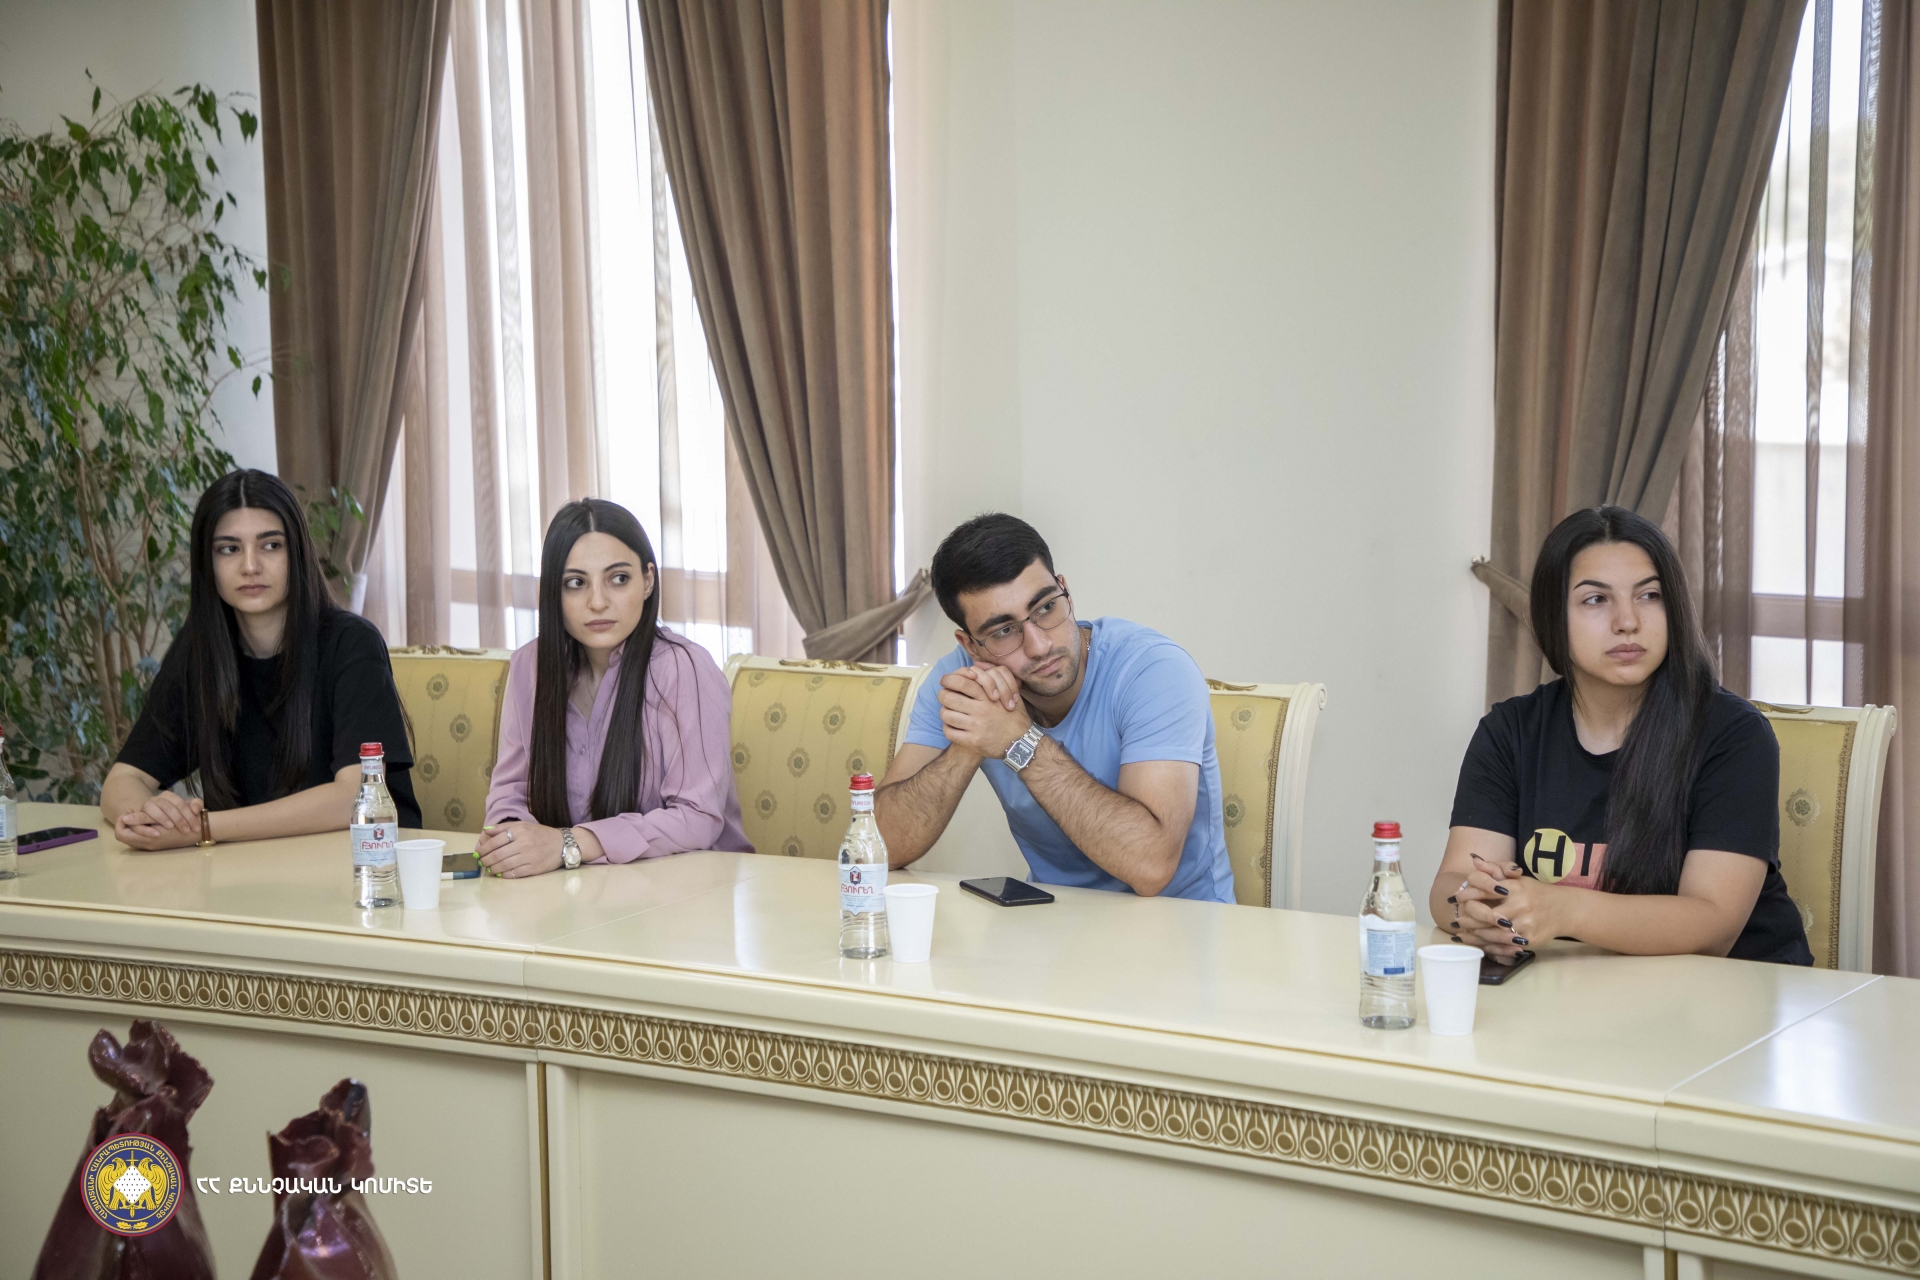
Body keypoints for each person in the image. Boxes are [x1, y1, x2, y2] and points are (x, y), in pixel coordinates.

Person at [1434, 506, 1811, 965]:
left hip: (1732, 991)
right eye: (1596, 599)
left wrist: (1563, 909)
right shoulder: (1510, 731)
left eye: (1649, 595)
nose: (1627, 621)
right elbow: (1452, 882)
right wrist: (1475, 910)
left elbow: (1712, 925)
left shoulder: (1734, 735)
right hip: (1578, 989)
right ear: (1554, 617)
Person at [877, 513, 1234, 902]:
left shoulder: (1154, 670)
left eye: (1046, 607)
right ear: (970, 646)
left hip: (1181, 920)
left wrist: (1019, 741)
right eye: (1003, 631)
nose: (1040, 645)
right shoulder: (962, 685)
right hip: (1052, 919)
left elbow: (1151, 867)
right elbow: (880, 849)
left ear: (1066, 591)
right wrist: (968, 745)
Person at [104, 470, 420, 846]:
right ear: (208, 564)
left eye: (271, 545)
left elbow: (354, 798)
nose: (250, 566)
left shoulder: (351, 643)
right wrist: (148, 818)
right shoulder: (201, 652)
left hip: (365, 865)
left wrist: (201, 829)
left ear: (297, 553)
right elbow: (124, 779)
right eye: (229, 549)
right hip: (248, 868)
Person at [479, 499, 749, 876]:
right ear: (554, 592)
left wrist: (569, 843)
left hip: (688, 888)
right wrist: (513, 841)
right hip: (573, 892)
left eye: (618, 578)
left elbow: (698, 816)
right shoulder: (530, 667)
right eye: (576, 583)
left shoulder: (684, 668)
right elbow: (509, 797)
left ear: (648, 581)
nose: (598, 602)